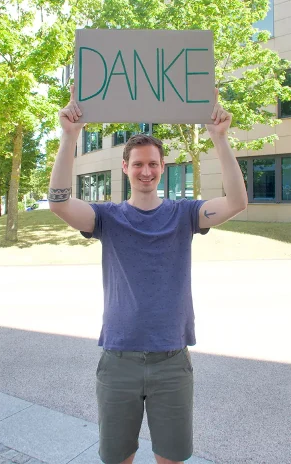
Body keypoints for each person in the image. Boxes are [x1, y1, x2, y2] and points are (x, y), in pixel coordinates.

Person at [48, 85, 248, 464]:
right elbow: (58, 203)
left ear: (162, 168)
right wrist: (70, 136)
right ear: (126, 167)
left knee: (170, 458)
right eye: (137, 163)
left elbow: (237, 202)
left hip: (171, 360)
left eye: (153, 164)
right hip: (118, 359)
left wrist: (220, 139)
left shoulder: (184, 214)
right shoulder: (106, 218)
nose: (145, 171)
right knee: (117, 457)